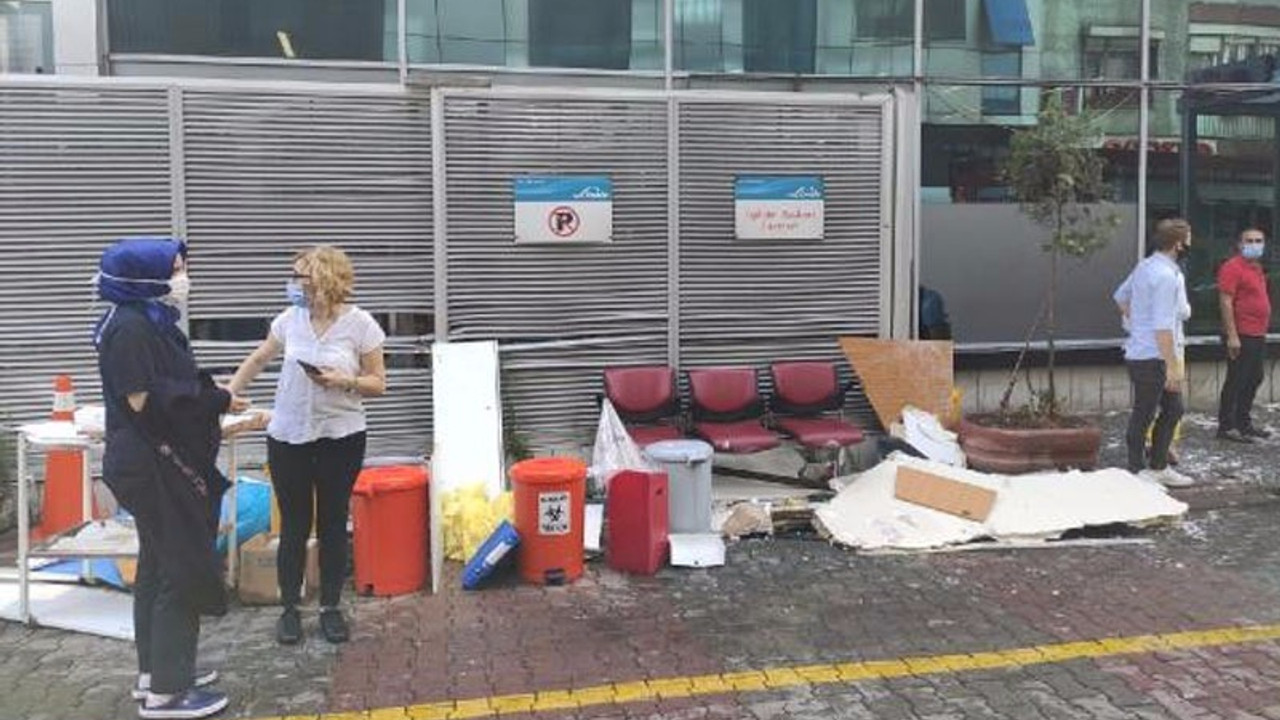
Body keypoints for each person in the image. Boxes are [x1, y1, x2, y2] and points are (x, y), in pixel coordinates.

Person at [94, 237, 249, 719]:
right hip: (153, 465)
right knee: (180, 567)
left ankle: (158, 673)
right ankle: (167, 695)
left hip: (154, 461)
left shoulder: (150, 320)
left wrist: (215, 396)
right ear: (144, 277)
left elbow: (169, 383)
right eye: (176, 268)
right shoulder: (131, 329)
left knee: (159, 566)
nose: (183, 277)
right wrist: (214, 402)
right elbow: (144, 401)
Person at [229, 245, 386, 645]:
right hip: (289, 435)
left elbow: (378, 384)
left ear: (322, 279)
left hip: (341, 437)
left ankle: (331, 608)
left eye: (299, 276)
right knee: (295, 526)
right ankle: (290, 610)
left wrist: (343, 381)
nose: (293, 284)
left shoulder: (361, 325)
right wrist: (228, 393)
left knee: (333, 523)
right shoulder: (289, 320)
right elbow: (261, 356)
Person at [1116, 219, 1195, 487]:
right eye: (1189, 240)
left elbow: (1120, 297)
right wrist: (1172, 366)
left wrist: (1138, 323)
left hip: (1149, 352)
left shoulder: (1145, 267)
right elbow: (1162, 326)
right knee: (1146, 411)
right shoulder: (1163, 276)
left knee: (1173, 409)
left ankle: (1158, 466)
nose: (1190, 245)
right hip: (1153, 356)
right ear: (1178, 244)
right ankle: (1137, 470)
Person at [1216, 227, 1272, 444]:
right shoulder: (1232, 267)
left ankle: (1243, 423)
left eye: (1259, 240)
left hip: (1258, 333)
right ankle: (1227, 426)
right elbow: (1225, 301)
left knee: (1255, 377)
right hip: (1241, 333)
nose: (1255, 244)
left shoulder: (1256, 268)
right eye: (1249, 240)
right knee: (1237, 379)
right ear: (1240, 244)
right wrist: (1232, 335)